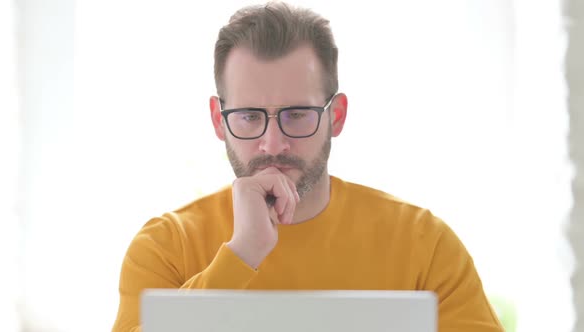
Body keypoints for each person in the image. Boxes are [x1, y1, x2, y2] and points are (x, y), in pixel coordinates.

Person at [112, 2, 504, 331]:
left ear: (337, 116)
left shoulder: (425, 246)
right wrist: (242, 253)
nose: (273, 143)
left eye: (297, 114)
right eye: (249, 116)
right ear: (219, 120)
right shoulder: (166, 248)